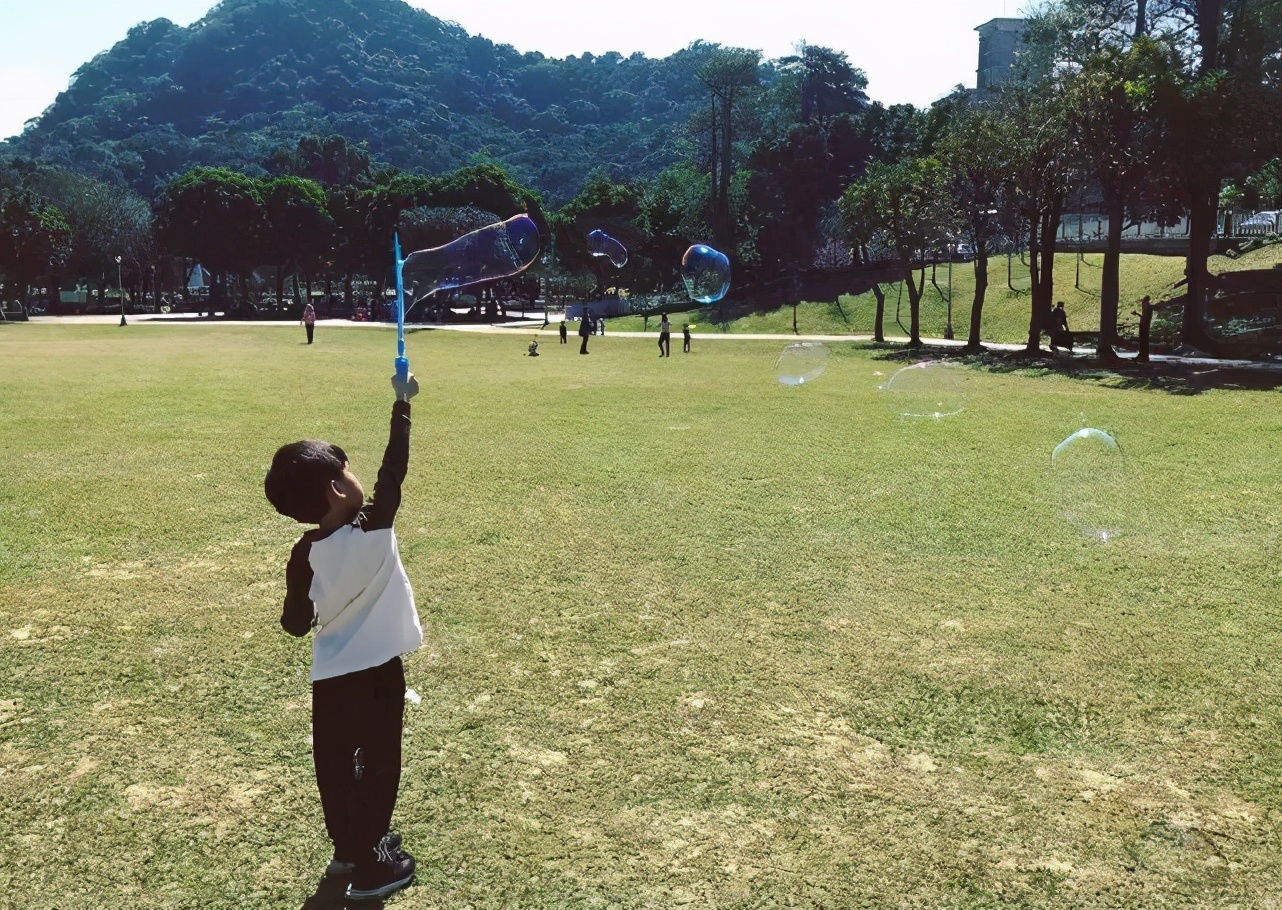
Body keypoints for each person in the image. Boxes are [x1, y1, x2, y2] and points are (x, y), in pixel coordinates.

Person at [264, 372, 422, 903]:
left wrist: (314, 608)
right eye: (347, 471)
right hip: (378, 675)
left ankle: (348, 849)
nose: (357, 478)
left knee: (335, 764)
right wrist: (402, 405)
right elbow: (393, 471)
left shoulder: (303, 553)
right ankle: (373, 865)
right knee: (378, 762)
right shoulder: (376, 526)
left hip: (331, 678)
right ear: (337, 489)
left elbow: (294, 623)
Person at [1134, 295, 1154, 364]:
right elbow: (1144, 316)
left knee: (1144, 340)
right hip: (1144, 324)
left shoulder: (1147, 306)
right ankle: (1143, 355)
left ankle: (1144, 356)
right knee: (1143, 340)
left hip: (1144, 325)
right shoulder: (1147, 306)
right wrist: (1137, 314)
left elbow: (1145, 317)